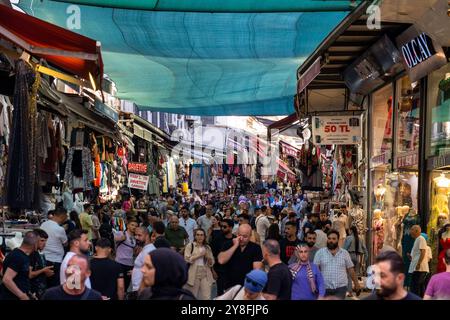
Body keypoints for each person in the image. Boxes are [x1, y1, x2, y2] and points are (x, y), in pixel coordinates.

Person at [313, 230, 360, 299]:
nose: (331, 241)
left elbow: (351, 270)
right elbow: (315, 271)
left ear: (338, 240)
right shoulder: (320, 253)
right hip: (324, 288)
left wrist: (356, 284)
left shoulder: (344, 253)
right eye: (329, 238)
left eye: (333, 239)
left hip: (340, 288)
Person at [218, 224, 263, 290]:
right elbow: (221, 260)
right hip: (228, 285)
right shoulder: (228, 244)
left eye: (245, 236)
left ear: (250, 236)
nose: (241, 238)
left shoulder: (255, 248)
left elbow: (256, 269)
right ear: (236, 234)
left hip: (246, 287)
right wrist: (235, 246)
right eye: (239, 235)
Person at [0, 231, 38, 300]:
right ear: (35, 244)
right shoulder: (19, 257)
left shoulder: (16, 254)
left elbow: (2, 272)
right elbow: (6, 279)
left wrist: (29, 294)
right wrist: (22, 296)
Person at [40, 207, 68, 287]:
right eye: (66, 216)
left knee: (46, 284)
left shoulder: (44, 224)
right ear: (62, 216)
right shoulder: (60, 229)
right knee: (55, 285)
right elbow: (65, 243)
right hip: (55, 260)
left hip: (44, 258)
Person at [184, 228, 215, 300]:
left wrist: (209, 258)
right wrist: (199, 255)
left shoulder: (207, 247)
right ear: (195, 236)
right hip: (194, 272)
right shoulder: (190, 246)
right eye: (197, 235)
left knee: (206, 297)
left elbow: (212, 263)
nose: (200, 237)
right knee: (192, 296)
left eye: (202, 235)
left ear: (204, 236)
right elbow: (187, 259)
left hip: (206, 272)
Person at [211, 219, 235, 296]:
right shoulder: (217, 239)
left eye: (224, 227)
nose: (222, 228)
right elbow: (212, 256)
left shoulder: (236, 239)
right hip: (220, 271)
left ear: (231, 228)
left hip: (233, 271)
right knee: (221, 294)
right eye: (221, 226)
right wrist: (213, 270)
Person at [114, 217, 138, 292]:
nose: (134, 227)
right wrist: (121, 238)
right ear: (127, 225)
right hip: (119, 263)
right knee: (118, 285)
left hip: (129, 264)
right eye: (132, 225)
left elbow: (134, 252)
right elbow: (114, 240)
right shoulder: (121, 233)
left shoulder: (135, 238)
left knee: (126, 285)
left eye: (135, 226)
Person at [29, 229, 54, 299]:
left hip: (41, 291)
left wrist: (46, 272)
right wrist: (43, 270)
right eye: (42, 240)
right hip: (33, 292)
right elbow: (29, 274)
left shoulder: (38, 253)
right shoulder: (31, 254)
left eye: (46, 241)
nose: (45, 243)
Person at [344, 225, 368, 297]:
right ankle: (357, 288)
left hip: (349, 256)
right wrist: (365, 259)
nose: (348, 231)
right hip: (357, 257)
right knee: (355, 275)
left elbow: (345, 248)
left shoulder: (348, 238)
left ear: (351, 230)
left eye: (349, 230)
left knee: (348, 275)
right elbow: (365, 250)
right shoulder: (360, 238)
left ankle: (350, 291)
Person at [131, 227, 156, 293]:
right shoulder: (145, 249)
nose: (136, 237)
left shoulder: (149, 251)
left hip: (142, 290)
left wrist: (141, 289)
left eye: (139, 235)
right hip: (138, 288)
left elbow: (151, 272)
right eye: (135, 235)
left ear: (147, 236)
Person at [408, 225, 429, 297]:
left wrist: (418, 264)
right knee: (417, 286)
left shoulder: (421, 238)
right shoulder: (417, 239)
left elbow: (423, 251)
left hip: (420, 268)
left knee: (417, 287)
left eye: (412, 230)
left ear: (416, 231)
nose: (410, 232)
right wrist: (411, 258)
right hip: (417, 267)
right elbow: (418, 254)